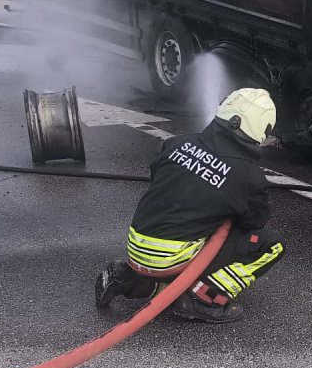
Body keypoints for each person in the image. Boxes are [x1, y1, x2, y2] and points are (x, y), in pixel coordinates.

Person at [95, 88, 285, 323]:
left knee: (189, 228)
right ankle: (204, 298)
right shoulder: (248, 176)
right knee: (272, 245)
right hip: (173, 259)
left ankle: (129, 279)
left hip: (136, 249)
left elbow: (160, 181)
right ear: (261, 128)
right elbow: (253, 222)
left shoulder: (176, 143)